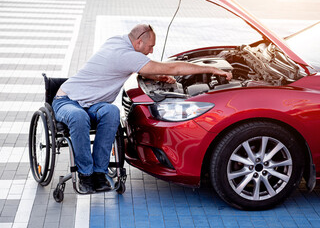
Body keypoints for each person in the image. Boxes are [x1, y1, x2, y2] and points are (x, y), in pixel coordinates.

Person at [52, 24, 232, 194]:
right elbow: (174, 68)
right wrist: (211, 69)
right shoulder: (126, 55)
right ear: (139, 42)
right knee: (78, 117)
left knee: (111, 112)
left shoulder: (118, 41)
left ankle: (99, 172)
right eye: (150, 46)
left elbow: (139, 68)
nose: (151, 50)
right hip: (68, 100)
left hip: (94, 104)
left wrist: (159, 76)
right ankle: (85, 175)